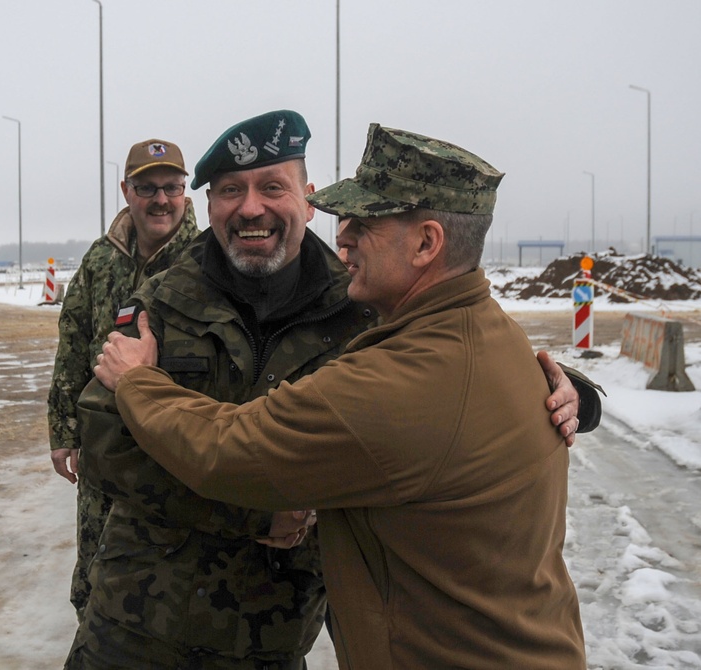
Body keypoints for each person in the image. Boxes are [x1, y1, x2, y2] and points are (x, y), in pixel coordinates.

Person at [67, 112, 594, 669]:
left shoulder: (367, 302)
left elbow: (458, 352)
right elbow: (103, 444)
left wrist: (569, 391)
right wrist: (256, 516)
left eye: (273, 187)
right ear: (213, 205)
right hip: (135, 623)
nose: (251, 208)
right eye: (229, 191)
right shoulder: (162, 299)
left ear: (308, 198)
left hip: (269, 633)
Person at [47, 138, 198, 620]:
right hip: (101, 445)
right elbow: (72, 343)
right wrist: (63, 430)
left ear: (185, 192)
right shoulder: (99, 260)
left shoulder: (206, 262)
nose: (160, 199)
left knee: (170, 584)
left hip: (174, 446)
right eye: (147, 187)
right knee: (95, 576)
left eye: (171, 187)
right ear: (126, 191)